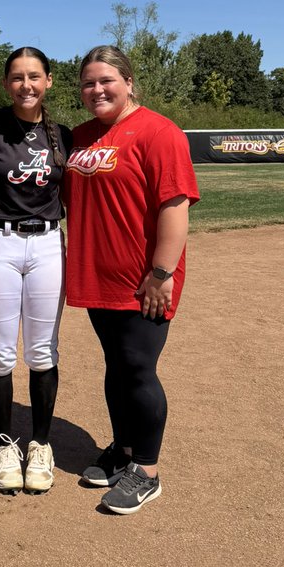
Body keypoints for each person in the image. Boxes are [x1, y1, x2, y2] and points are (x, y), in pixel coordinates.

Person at [64, 46, 199, 515]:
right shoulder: (81, 136)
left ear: (128, 82)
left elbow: (175, 207)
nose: (96, 90)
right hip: (96, 273)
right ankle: (122, 451)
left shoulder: (158, 132)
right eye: (87, 83)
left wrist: (161, 273)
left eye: (106, 81)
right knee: (116, 364)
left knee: (139, 367)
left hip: (144, 278)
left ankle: (147, 469)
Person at [0, 48, 72, 495]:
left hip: (49, 244)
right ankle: (6, 445)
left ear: (48, 80)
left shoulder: (64, 135)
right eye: (17, 77)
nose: (26, 85)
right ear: (5, 83)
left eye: (34, 76)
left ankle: (41, 444)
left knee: (43, 353)